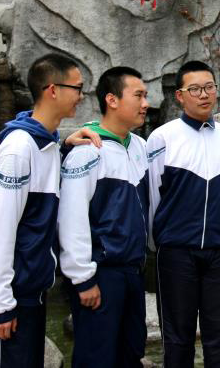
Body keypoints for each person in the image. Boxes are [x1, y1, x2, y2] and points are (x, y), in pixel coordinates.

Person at [0, 53, 84, 368]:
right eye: (77, 88)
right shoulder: (18, 152)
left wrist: (65, 147)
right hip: (13, 299)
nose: (81, 96)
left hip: (32, 293)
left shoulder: (45, 144)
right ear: (52, 90)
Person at [146, 60, 220, 368]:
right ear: (179, 96)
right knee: (178, 338)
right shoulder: (162, 138)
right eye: (195, 89)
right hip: (176, 251)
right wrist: (159, 241)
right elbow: (153, 197)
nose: (204, 95)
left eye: (209, 87)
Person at [58, 66, 150, 367]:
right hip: (101, 274)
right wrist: (82, 278)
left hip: (133, 271)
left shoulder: (140, 147)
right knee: (96, 357)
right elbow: (71, 217)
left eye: (146, 96)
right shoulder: (87, 151)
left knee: (131, 353)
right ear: (112, 100)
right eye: (138, 95)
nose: (146, 103)